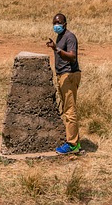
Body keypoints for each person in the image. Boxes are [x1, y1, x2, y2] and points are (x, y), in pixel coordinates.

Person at [46, 13, 82, 154]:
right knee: (67, 110)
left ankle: (72, 145)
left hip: (69, 75)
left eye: (59, 23)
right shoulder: (60, 37)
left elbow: (72, 57)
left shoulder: (69, 37)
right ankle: (73, 140)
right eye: (54, 23)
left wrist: (56, 49)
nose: (56, 25)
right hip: (62, 75)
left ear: (65, 24)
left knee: (70, 110)